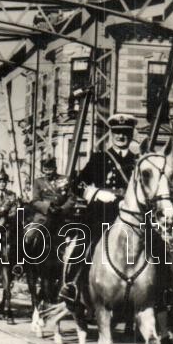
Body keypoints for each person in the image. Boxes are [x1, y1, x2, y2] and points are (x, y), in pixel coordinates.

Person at [59, 112, 137, 304]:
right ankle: (72, 285)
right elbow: (77, 184)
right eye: (117, 132)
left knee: (156, 243)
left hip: (130, 215)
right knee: (85, 244)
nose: (121, 136)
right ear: (111, 134)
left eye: (125, 132)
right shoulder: (99, 158)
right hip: (101, 214)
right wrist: (96, 193)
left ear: (131, 135)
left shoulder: (137, 161)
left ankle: (163, 291)